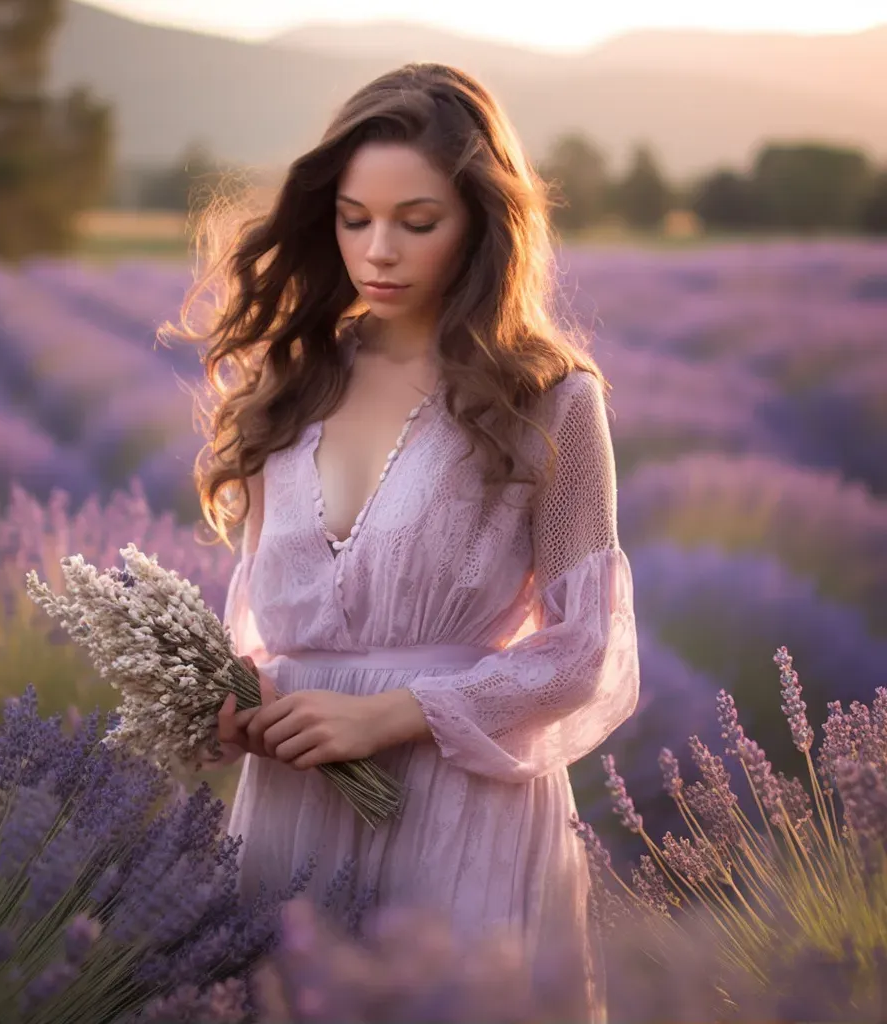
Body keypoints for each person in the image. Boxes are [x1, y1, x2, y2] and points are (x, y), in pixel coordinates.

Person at [166, 62, 640, 1023]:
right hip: (294, 807)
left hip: (457, 806)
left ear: (481, 223)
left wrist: (393, 715)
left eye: (416, 222)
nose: (377, 251)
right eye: (353, 219)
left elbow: (586, 651)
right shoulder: (288, 386)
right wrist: (234, 700)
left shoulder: (549, 399)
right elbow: (265, 626)